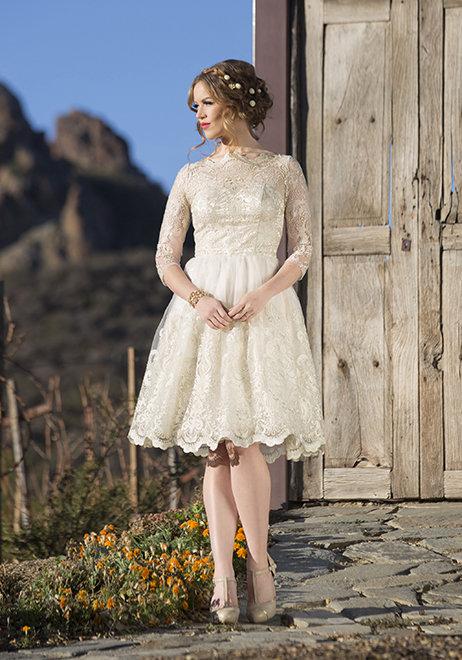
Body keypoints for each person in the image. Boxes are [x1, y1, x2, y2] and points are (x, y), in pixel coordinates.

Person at [127, 59, 325, 625]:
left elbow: (303, 250)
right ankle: (221, 575)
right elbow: (166, 258)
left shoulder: (282, 170)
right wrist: (197, 299)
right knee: (216, 447)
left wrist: (264, 293)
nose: (198, 115)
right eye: (194, 107)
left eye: (206, 103)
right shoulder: (191, 177)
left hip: (261, 312)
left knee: (247, 445)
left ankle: (260, 567)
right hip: (206, 314)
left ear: (235, 104)